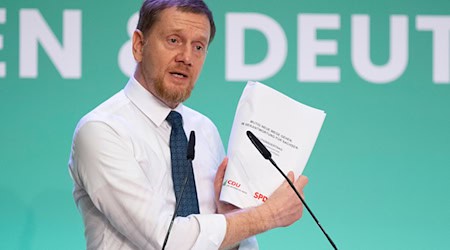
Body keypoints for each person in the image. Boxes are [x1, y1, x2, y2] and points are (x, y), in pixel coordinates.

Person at [68, 0, 309, 249]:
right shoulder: (101, 130)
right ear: (139, 45)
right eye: (174, 40)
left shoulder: (204, 130)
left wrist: (229, 216)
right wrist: (268, 215)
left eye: (198, 46)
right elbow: (166, 240)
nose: (186, 57)